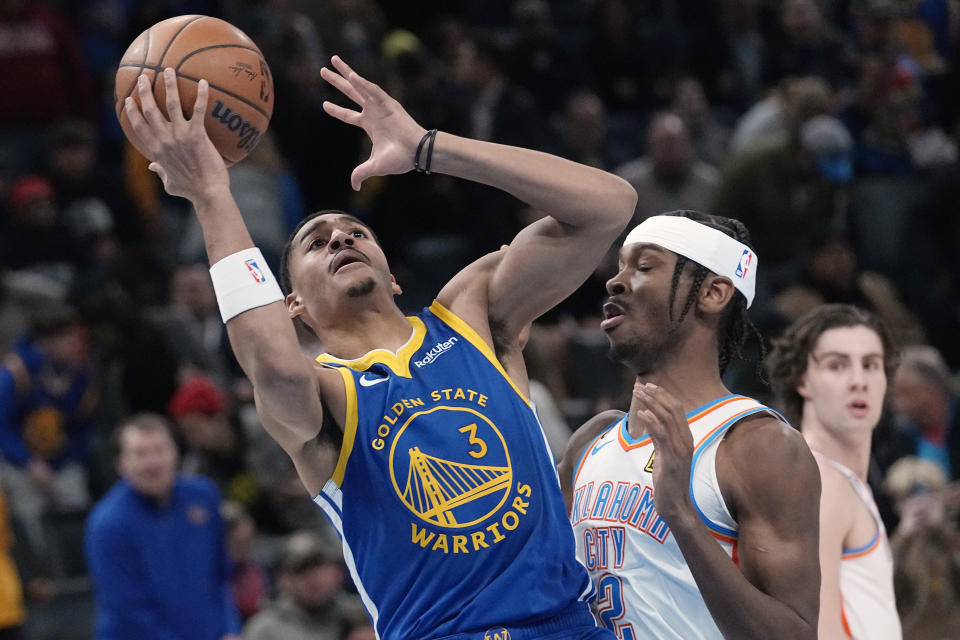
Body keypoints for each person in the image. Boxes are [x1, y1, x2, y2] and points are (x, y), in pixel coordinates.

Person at [123, 55, 636, 639]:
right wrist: (213, 194)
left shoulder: (472, 314)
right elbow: (268, 360)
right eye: (316, 244)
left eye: (355, 232)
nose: (340, 236)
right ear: (293, 305)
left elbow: (608, 206)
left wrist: (428, 147)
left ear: (393, 276)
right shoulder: (321, 394)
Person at [558, 210, 821, 639]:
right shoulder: (590, 441)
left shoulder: (756, 446)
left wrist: (681, 514)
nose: (615, 281)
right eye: (619, 265)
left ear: (714, 293)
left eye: (644, 267)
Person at [767, 304, 902, 639]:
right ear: (802, 380)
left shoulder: (842, 479)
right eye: (837, 366)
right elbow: (816, 629)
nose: (859, 381)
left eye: (871, 365)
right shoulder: (823, 482)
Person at [84, 413, 241, 640]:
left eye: (160, 449)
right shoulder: (107, 523)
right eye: (140, 454)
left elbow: (221, 575)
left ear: (175, 452)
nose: (153, 462)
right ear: (120, 463)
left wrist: (230, 628)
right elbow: (126, 609)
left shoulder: (203, 495)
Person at [241, 529, 365, 640]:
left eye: (318, 566)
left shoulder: (360, 617)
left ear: (337, 571)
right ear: (282, 580)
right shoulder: (265, 630)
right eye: (300, 570)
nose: (312, 578)